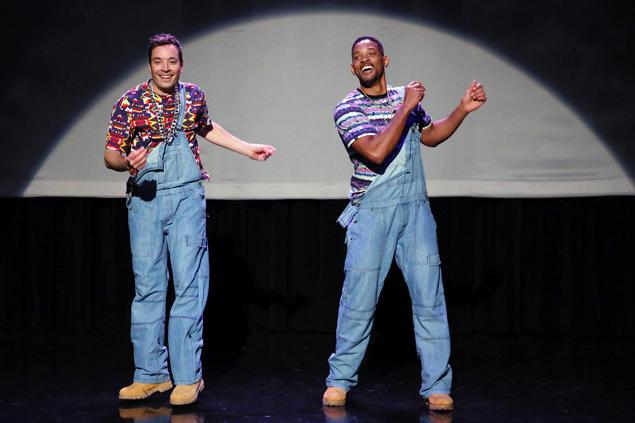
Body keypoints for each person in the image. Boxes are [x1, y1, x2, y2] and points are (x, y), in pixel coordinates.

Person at [104, 33, 275, 406]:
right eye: (158, 61)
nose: (165, 68)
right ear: (150, 64)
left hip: (186, 198)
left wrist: (248, 149)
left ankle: (187, 377)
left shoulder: (193, 95)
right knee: (148, 288)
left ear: (180, 64)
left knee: (189, 286)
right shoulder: (130, 102)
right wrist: (126, 162)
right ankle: (150, 376)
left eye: (172, 61)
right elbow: (111, 154)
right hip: (146, 201)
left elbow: (207, 127)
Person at [323, 36, 487, 411]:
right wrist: (407, 107)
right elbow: (376, 153)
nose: (365, 60)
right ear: (352, 68)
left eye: (371, 54)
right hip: (372, 211)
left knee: (430, 297)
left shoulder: (405, 98)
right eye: (357, 57)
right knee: (358, 301)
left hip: (415, 211)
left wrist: (461, 109)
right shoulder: (347, 107)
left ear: (384, 60)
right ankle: (340, 380)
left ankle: (437, 386)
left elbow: (430, 137)